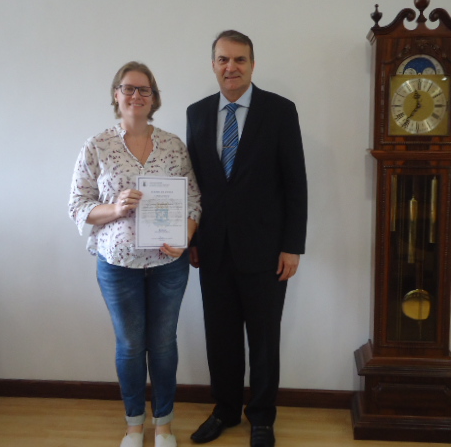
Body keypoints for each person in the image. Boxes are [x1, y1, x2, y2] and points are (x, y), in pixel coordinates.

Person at [68, 61, 201, 447]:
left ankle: (163, 426)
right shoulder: (97, 145)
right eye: (129, 88)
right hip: (118, 265)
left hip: (168, 264)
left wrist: (186, 235)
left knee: (163, 344)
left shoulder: (173, 145)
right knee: (129, 346)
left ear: (154, 98)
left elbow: (194, 199)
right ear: (117, 94)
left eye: (145, 89)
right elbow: (77, 205)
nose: (136, 95)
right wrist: (114, 208)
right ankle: (133, 425)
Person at [186, 30, 308, 447]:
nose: (231, 67)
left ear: (253, 65)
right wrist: (193, 239)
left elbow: (295, 182)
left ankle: (262, 417)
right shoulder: (197, 113)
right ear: (214, 65)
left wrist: (292, 245)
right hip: (213, 249)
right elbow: (195, 184)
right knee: (220, 338)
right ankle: (225, 410)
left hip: (266, 251)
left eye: (239, 59)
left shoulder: (280, 111)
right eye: (223, 59)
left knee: (263, 339)